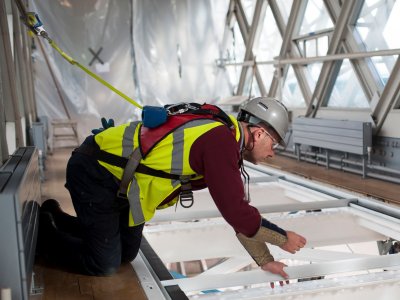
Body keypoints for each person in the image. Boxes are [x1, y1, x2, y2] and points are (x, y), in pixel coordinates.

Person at [38, 97, 306, 284]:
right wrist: (283, 238)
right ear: (259, 133)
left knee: (126, 254)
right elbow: (237, 213)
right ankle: (43, 235)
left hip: (127, 187)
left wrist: (264, 260)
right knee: (104, 264)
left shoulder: (225, 139)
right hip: (98, 173)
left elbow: (239, 215)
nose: (273, 153)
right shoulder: (220, 141)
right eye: (275, 144)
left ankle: (57, 217)